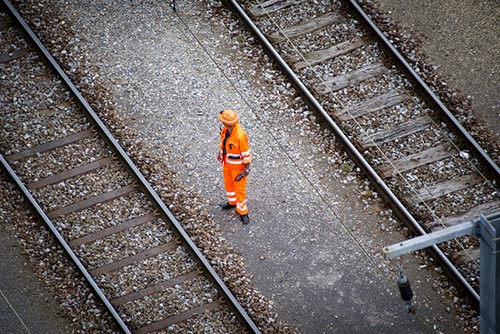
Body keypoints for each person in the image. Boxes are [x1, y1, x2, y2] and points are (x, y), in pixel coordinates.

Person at [217, 109, 251, 225]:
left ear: (226, 123)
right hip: (227, 164)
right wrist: (221, 154)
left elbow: (246, 155)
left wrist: (245, 170)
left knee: (239, 190)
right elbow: (224, 144)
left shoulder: (240, 136)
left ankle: (243, 212)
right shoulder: (226, 131)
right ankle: (232, 202)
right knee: (229, 185)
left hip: (238, 169)